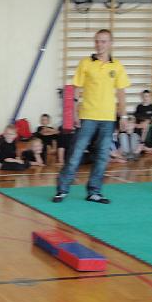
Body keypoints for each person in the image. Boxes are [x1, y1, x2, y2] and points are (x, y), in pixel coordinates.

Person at [54, 29, 130, 204]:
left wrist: (124, 116)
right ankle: (62, 190)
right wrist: (73, 113)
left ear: (110, 43)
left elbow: (121, 93)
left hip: (108, 118)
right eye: (97, 41)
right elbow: (76, 89)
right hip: (87, 115)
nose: (99, 44)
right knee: (76, 153)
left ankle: (94, 192)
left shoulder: (117, 66)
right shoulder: (85, 63)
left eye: (103, 41)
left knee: (102, 156)